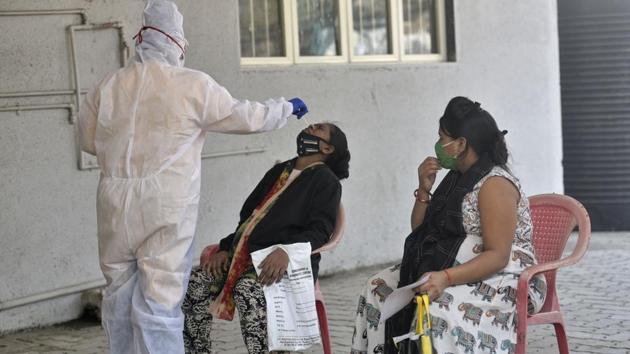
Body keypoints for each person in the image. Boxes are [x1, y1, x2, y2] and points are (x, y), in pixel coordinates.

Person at [77, 1, 309, 353]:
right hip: (166, 205)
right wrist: (286, 108)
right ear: (177, 42)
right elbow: (246, 117)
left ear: (140, 39)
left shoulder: (107, 85)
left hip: (114, 202)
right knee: (160, 299)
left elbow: (88, 141)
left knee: (119, 295)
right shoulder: (191, 85)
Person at [350, 97, 547, 354]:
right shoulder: (455, 178)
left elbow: (498, 256)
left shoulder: (494, 184)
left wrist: (445, 278)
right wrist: (424, 189)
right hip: (446, 264)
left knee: (436, 308)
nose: (439, 145)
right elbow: (420, 231)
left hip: (504, 278)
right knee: (377, 289)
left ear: (461, 144)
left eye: (443, 137)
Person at [182, 123, 350, 354]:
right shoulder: (279, 171)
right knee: (197, 282)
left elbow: (320, 231)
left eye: (318, 129)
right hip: (244, 254)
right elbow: (250, 220)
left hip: (282, 263)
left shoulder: (326, 181)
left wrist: (286, 252)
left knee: (248, 290)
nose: (310, 127)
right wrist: (225, 248)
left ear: (328, 149)